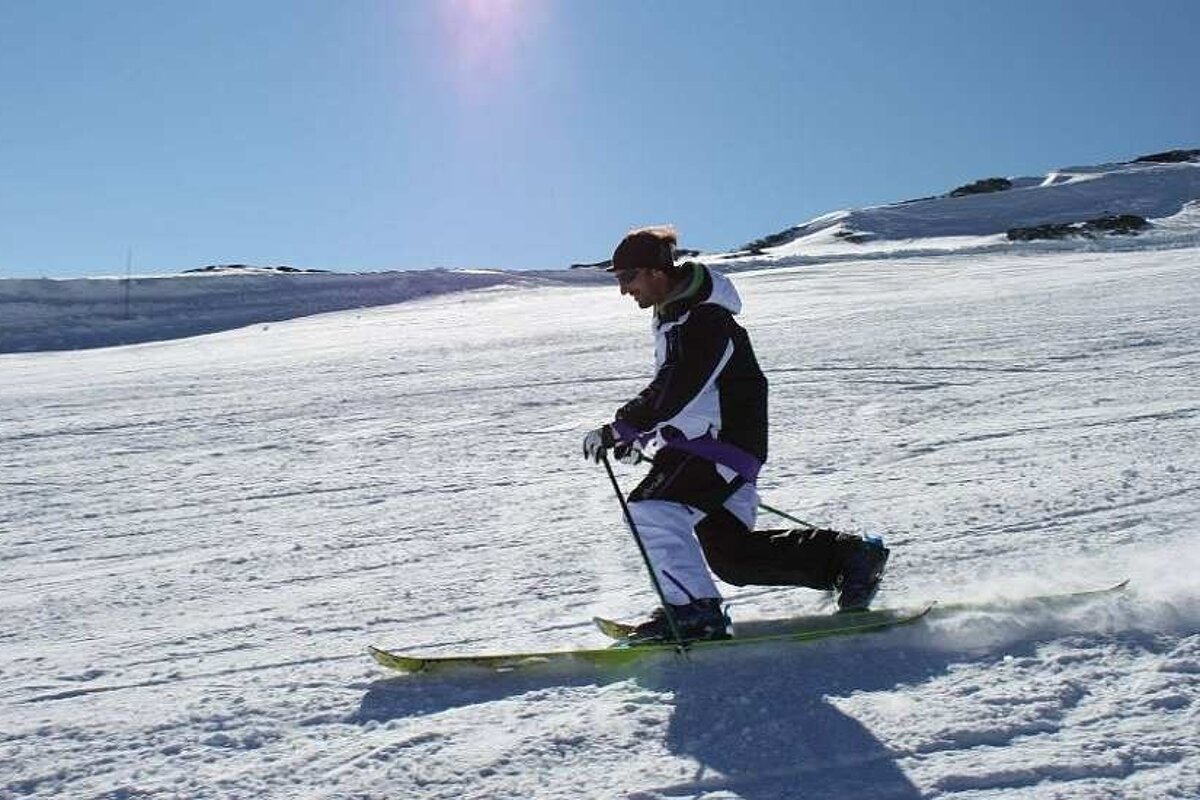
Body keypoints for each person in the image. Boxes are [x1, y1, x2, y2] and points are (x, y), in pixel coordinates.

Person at [583, 226, 890, 643]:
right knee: (733, 559)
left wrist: (624, 425)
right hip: (712, 447)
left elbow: (680, 385)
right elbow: (696, 396)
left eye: (626, 278)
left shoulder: (704, 319)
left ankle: (694, 613)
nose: (622, 290)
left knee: (651, 510)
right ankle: (850, 559)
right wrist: (645, 440)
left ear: (655, 272)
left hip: (720, 447)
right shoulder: (678, 318)